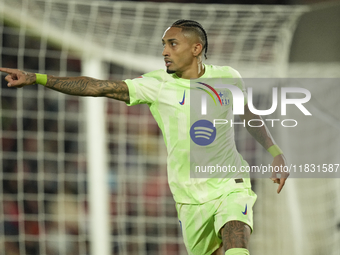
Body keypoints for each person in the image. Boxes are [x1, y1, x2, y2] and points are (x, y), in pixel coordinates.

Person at [1, 19, 288, 255]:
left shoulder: (228, 77)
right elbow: (96, 86)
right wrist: (38, 78)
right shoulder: (156, 85)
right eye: (163, 44)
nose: (165, 51)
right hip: (188, 196)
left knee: (236, 244)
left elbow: (248, 115)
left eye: (172, 44)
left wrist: (275, 152)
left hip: (230, 184)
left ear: (196, 48)